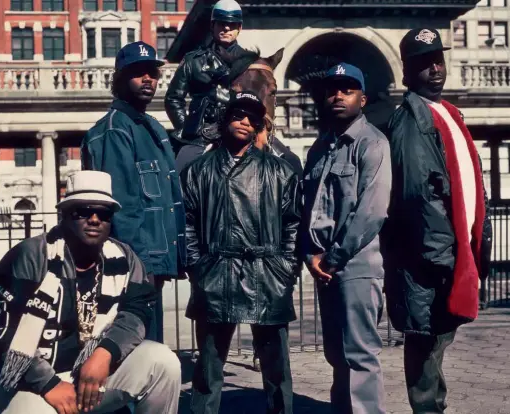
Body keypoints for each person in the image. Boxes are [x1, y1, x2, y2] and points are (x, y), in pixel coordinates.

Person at [0, 170, 181, 414]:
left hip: (90, 372)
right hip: (27, 380)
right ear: (63, 215)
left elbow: (136, 312)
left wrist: (105, 353)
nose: (95, 219)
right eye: (83, 211)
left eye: (104, 213)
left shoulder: (124, 258)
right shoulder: (30, 256)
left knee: (163, 362)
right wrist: (49, 384)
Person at [384, 28, 492, 413]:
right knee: (425, 343)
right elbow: (418, 197)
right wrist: (442, 257)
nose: (434, 69)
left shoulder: (446, 112)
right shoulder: (412, 120)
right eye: (423, 63)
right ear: (406, 72)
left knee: (437, 341)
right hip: (431, 262)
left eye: (437, 61)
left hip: (451, 252)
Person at [181, 90, 301, 414]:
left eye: (252, 117)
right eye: (237, 114)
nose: (245, 121)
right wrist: (197, 266)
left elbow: (293, 224)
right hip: (216, 276)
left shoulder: (280, 172)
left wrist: (285, 267)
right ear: (224, 120)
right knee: (208, 368)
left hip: (267, 275)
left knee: (277, 369)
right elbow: (187, 222)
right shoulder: (198, 170)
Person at [81, 41, 186, 344]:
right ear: (120, 79)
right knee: (133, 345)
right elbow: (122, 207)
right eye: (138, 73)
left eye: (152, 73)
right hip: (136, 263)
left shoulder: (151, 126)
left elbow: (168, 197)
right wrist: (138, 266)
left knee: (149, 342)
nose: (148, 80)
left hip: (156, 259)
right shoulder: (114, 129)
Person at [301, 63, 391, 414]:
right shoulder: (322, 147)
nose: (338, 95)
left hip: (355, 266)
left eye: (348, 89)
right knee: (337, 355)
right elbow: (310, 209)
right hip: (325, 267)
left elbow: (371, 211)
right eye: (332, 89)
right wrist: (311, 254)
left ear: (363, 98)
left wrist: (332, 258)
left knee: (359, 356)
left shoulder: (371, 143)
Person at [165, 0, 247, 160]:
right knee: (181, 166)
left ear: (239, 28)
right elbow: (173, 99)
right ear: (212, 26)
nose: (226, 28)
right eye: (221, 24)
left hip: (241, 131)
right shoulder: (192, 60)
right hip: (202, 134)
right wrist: (187, 128)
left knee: (288, 159)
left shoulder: (250, 62)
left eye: (232, 24)